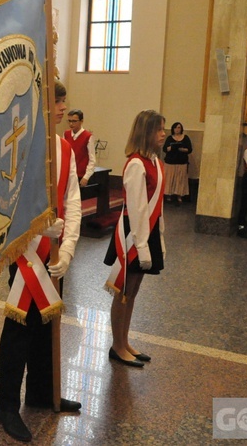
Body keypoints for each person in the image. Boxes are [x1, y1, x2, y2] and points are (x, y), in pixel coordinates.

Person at [0, 80, 82, 443]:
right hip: (26, 252)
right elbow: (7, 198)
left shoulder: (65, 148)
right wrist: (40, 232)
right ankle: (6, 407)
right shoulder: (23, 145)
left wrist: (69, 246)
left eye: (64, 100)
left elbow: (73, 198)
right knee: (20, 327)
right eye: (57, 101)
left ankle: (42, 393)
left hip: (55, 253)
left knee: (47, 325)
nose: (63, 107)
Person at [104, 109, 166, 368]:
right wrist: (141, 247)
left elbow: (157, 206)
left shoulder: (154, 161)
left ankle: (125, 341)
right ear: (147, 132)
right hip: (133, 234)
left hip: (148, 231)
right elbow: (138, 207)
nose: (163, 134)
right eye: (159, 129)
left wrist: (158, 239)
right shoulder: (137, 163)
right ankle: (117, 346)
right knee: (124, 293)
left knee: (134, 291)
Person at [63, 109, 96, 187]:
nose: (71, 124)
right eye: (69, 121)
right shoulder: (66, 134)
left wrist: (86, 177)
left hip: (80, 174)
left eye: (74, 121)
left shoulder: (88, 136)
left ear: (81, 121)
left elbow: (92, 160)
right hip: (68, 173)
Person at [162, 121, 192, 204]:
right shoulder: (169, 138)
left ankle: (179, 195)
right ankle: (168, 194)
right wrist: (170, 148)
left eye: (179, 127)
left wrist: (182, 149)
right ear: (173, 129)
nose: (177, 129)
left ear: (181, 128)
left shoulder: (185, 138)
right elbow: (164, 149)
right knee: (169, 179)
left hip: (181, 161)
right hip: (170, 161)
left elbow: (189, 149)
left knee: (180, 179)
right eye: (175, 127)